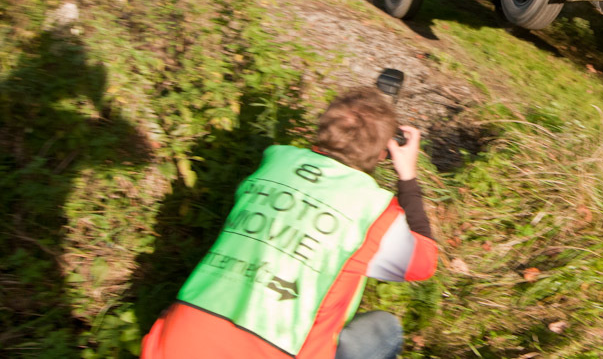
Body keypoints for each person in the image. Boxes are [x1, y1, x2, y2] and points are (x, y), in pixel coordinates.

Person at [140, 87, 437, 359]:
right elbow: (423, 263)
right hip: (282, 351)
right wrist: (408, 178)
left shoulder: (274, 162)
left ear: (322, 126)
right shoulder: (373, 210)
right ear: (384, 152)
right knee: (384, 329)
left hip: (171, 346)